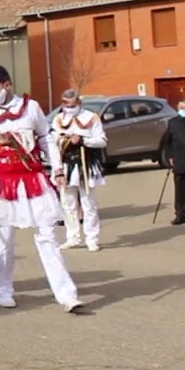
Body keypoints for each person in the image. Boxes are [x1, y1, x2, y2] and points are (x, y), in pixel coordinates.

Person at [0, 66, 82, 312]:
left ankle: (67, 294)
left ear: (7, 85)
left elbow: (46, 138)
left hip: (31, 178)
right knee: (3, 240)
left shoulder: (31, 108)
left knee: (47, 235)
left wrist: (57, 169)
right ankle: (3, 289)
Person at [49, 89, 109, 251]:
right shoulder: (58, 119)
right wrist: (61, 139)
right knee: (67, 203)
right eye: (66, 105)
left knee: (88, 203)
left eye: (72, 105)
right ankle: (72, 237)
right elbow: (52, 139)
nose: (69, 108)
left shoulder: (91, 117)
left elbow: (102, 140)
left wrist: (83, 140)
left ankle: (92, 238)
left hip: (85, 162)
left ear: (79, 103)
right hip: (66, 163)